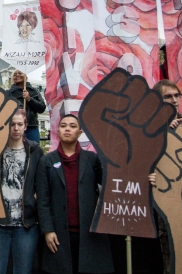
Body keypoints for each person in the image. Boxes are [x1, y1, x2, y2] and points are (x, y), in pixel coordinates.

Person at [36, 114, 113, 274]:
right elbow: (43, 200)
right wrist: (48, 230)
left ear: (80, 132)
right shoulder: (47, 162)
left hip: (89, 235)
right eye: (63, 125)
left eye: (72, 126)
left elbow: (111, 186)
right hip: (59, 236)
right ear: (57, 130)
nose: (67, 129)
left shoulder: (92, 160)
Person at [149, 78, 182, 274]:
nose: (173, 100)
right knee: (171, 250)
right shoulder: (151, 129)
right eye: (167, 97)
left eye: (176, 96)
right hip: (167, 199)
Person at [0, 109, 43, 274]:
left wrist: (34, 199)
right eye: (12, 124)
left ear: (26, 126)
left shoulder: (36, 152)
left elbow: (42, 183)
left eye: (20, 124)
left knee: (23, 270)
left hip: (26, 224)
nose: (16, 128)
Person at [8, 70, 46, 144]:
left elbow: (42, 108)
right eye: (15, 74)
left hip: (31, 126)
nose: (17, 75)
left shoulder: (34, 91)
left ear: (26, 77)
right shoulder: (9, 93)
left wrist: (29, 99)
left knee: (33, 151)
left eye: (20, 73)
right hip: (15, 127)